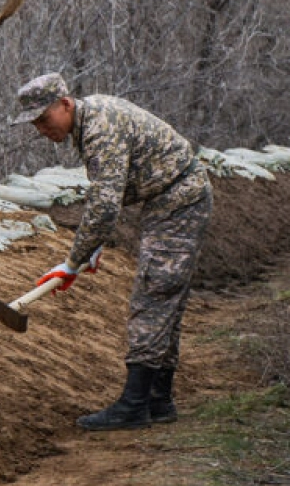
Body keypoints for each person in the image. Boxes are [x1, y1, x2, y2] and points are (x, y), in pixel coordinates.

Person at [12, 72, 213, 430]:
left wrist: (72, 262)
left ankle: (135, 405)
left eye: (44, 118)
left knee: (154, 296)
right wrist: (95, 244)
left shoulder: (100, 129)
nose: (41, 129)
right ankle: (158, 400)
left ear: (65, 104)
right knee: (164, 299)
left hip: (179, 200)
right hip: (172, 198)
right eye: (34, 124)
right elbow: (113, 191)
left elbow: (105, 206)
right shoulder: (91, 121)